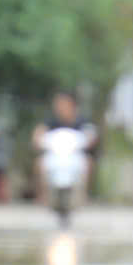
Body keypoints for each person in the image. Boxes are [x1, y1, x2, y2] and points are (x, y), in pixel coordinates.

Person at [33, 92, 97, 228]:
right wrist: (39, 139)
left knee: (89, 162)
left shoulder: (82, 121)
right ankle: (44, 195)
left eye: (63, 104)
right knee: (39, 163)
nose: (60, 108)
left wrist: (87, 140)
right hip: (55, 157)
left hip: (75, 158)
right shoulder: (51, 121)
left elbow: (91, 135)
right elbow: (38, 133)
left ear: (72, 105)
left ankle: (83, 195)